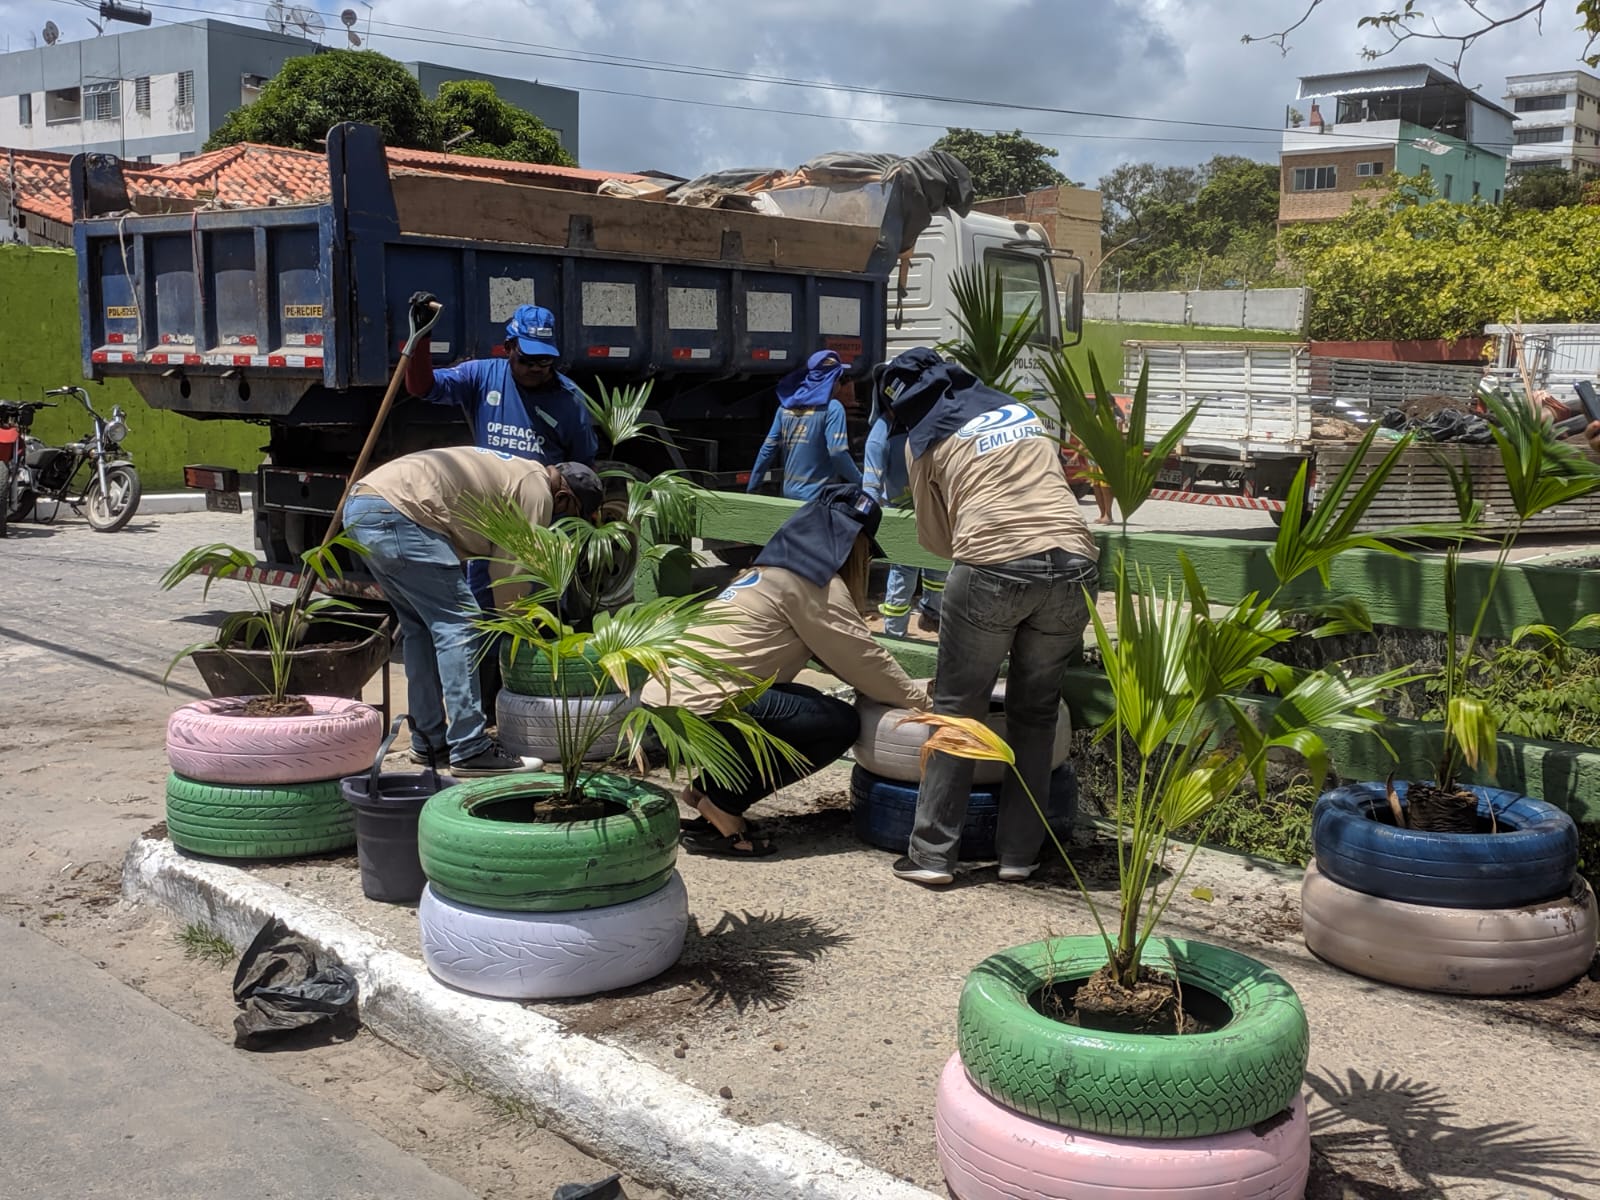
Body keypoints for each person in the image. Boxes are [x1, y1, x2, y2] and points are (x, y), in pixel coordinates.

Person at [879, 347, 1099, 888]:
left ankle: (933, 855)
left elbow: (936, 540)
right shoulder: (1019, 411)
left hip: (992, 568)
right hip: (1075, 565)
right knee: (1036, 713)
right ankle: (1019, 856)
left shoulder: (923, 439)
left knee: (958, 710)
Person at [639, 484, 930, 857]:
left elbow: (842, 657)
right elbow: (866, 662)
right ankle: (722, 805)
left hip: (659, 709)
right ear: (853, 544)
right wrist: (923, 702)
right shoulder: (813, 583)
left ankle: (709, 791)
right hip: (699, 712)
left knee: (808, 702)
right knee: (838, 723)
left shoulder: (763, 571)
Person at [342, 446, 604, 777]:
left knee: (421, 628)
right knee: (460, 624)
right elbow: (510, 581)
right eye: (571, 517)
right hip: (400, 512)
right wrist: (528, 635)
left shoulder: (521, 471)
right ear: (564, 497)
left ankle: (428, 741)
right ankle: (469, 748)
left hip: (364, 504)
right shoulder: (539, 493)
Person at [404, 296, 601, 683]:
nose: (536, 369)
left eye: (545, 361)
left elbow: (583, 472)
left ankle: (536, 701)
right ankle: (493, 709)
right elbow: (421, 386)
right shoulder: (483, 376)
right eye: (527, 359)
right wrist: (420, 338)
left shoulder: (570, 401)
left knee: (540, 622)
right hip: (487, 530)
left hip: (541, 531)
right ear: (508, 347)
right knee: (485, 622)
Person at [862, 371, 945, 639]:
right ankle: (894, 634)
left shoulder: (923, 427)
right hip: (900, 518)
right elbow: (871, 487)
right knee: (903, 574)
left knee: (938, 568)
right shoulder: (881, 434)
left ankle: (932, 614)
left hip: (929, 511)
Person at [747, 349, 864, 500]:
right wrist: (861, 481)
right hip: (818, 499)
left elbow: (767, 450)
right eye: (839, 379)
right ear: (833, 380)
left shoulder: (785, 408)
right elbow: (837, 452)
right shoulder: (833, 409)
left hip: (789, 495)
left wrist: (752, 487)